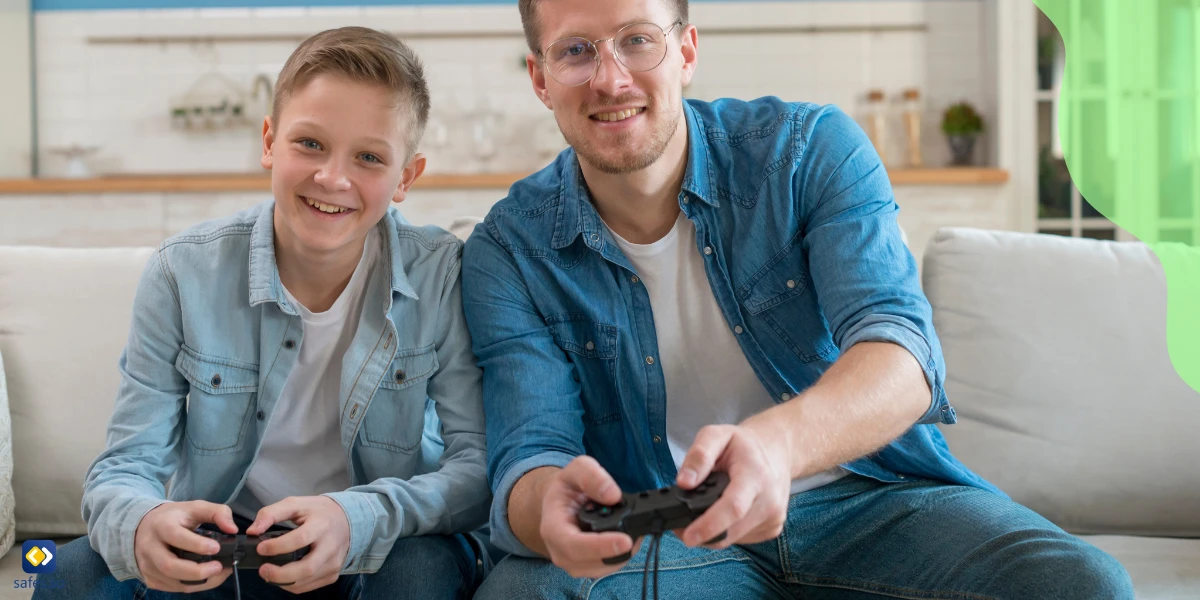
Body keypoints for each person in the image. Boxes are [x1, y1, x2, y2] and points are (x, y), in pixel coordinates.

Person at [460, 0, 1135, 598]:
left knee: (1080, 583)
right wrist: (545, 508)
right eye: (576, 51)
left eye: (638, 39)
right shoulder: (509, 248)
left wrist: (776, 448)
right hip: (669, 536)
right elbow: (531, 450)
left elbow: (902, 354)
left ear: (687, 50)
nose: (611, 78)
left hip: (866, 502)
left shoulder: (808, 152)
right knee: (523, 591)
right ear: (540, 79)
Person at [39, 27, 490, 600]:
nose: (333, 177)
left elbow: (476, 470)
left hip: (379, 541)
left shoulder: (443, 273)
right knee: (66, 572)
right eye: (310, 144)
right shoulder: (181, 273)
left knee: (419, 574)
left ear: (406, 177)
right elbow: (124, 466)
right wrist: (142, 524)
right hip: (229, 543)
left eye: (370, 157)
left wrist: (356, 517)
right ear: (270, 142)